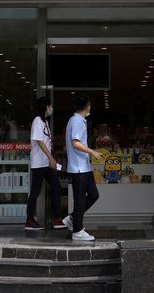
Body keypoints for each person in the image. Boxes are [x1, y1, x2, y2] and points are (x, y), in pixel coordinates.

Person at [62, 94, 103, 241]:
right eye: (90, 105)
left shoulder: (75, 120)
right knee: (80, 200)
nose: (90, 107)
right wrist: (93, 152)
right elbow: (75, 143)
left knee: (93, 195)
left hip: (83, 167)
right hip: (78, 168)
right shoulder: (77, 121)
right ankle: (78, 230)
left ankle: (73, 218)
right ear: (86, 106)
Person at [25, 97, 65, 231]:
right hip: (39, 163)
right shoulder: (37, 121)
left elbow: (46, 141)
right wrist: (51, 157)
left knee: (56, 188)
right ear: (45, 107)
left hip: (45, 163)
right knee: (35, 191)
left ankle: (57, 218)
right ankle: (29, 220)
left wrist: (50, 158)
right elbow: (39, 141)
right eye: (50, 106)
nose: (51, 108)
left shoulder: (44, 122)